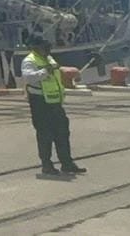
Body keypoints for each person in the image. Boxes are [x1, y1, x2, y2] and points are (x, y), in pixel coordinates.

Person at [21, 34, 85, 176]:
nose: (47, 49)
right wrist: (45, 72)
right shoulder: (29, 61)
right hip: (39, 102)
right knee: (45, 134)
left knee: (62, 132)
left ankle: (67, 163)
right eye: (44, 47)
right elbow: (28, 77)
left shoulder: (49, 58)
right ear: (36, 47)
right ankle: (47, 165)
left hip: (55, 102)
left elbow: (57, 73)